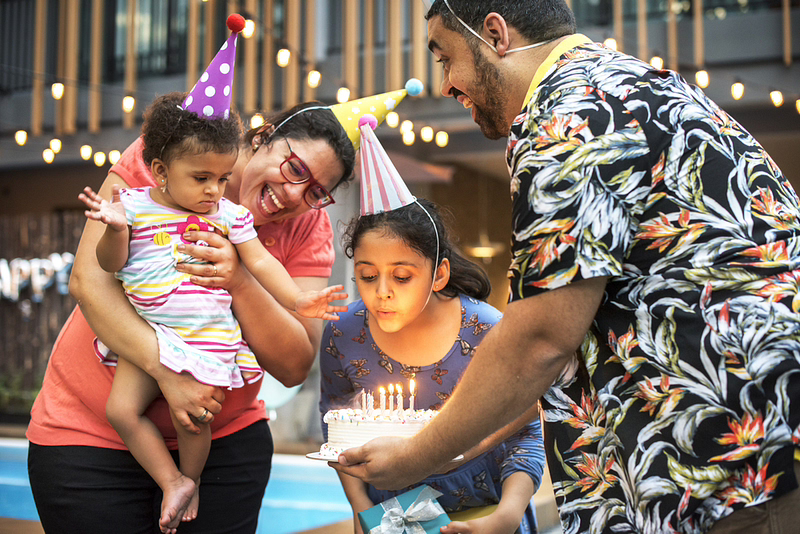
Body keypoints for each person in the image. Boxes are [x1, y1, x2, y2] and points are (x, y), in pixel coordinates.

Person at [333, 1, 800, 532]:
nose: (446, 85)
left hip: (734, 450)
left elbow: (539, 340)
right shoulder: (627, 84)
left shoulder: (567, 115)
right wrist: (454, 451)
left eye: (446, 59)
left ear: (495, 33)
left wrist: (419, 455)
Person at [27, 91, 360, 532]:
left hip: (224, 447)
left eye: (317, 190)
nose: (294, 192)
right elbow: (89, 280)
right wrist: (171, 372)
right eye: (294, 166)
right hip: (89, 438)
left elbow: (294, 363)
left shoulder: (303, 224)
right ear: (262, 138)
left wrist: (238, 279)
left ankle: (189, 478)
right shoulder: (175, 152)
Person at [321, 198, 545, 534]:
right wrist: (361, 509)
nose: (382, 292)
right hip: (391, 518)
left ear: (439, 274)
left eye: (401, 276)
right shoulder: (343, 332)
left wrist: (505, 517)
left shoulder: (486, 330)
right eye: (367, 276)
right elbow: (337, 431)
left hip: (489, 511)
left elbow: (526, 427)